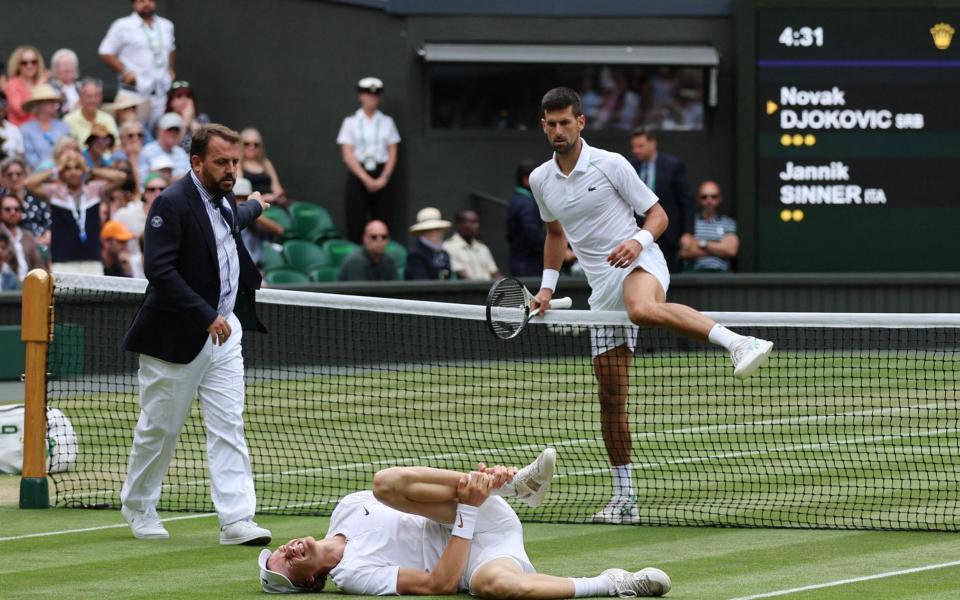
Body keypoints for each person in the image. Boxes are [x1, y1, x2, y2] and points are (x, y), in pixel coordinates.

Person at [529, 87, 773, 524]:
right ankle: (625, 498)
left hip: (640, 259)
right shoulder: (540, 180)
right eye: (551, 124)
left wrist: (635, 240)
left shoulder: (612, 164)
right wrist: (547, 288)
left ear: (580, 122)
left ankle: (738, 342)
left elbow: (658, 215)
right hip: (600, 287)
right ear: (543, 126)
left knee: (641, 309)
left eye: (566, 122)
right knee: (610, 397)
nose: (559, 131)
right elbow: (554, 236)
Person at [119, 123, 272, 546]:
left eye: (235, 162)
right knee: (161, 429)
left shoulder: (224, 197)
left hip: (225, 334)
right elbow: (159, 271)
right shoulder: (170, 203)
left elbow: (232, 222)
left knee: (229, 425)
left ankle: (237, 519)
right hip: (174, 339)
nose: (231, 170)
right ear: (196, 162)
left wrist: (256, 205)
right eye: (222, 162)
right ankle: (139, 505)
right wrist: (205, 315)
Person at [257, 448, 672, 597]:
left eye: (279, 551)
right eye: (288, 564)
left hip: (471, 512)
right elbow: (440, 585)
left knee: (386, 483)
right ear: (311, 582)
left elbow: (420, 491)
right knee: (496, 588)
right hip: (475, 552)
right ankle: (614, 583)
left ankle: (512, 488)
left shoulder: (347, 507)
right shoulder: (353, 576)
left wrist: (478, 492)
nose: (287, 550)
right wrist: (472, 507)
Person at [24, 149, 127, 275]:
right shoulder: (55, 192)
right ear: (62, 173)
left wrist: (89, 170)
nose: (73, 172)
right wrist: (57, 169)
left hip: (92, 261)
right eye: (68, 169)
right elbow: (29, 183)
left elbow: (121, 177)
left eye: (77, 168)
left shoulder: (94, 190)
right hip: (63, 262)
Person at [336, 77, 400, 243]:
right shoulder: (351, 122)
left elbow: (392, 152)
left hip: (382, 174)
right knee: (355, 221)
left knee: (384, 219)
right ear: (360, 96)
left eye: (375, 95)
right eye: (368, 94)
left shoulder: (387, 122)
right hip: (359, 174)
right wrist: (366, 178)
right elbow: (347, 154)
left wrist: (383, 178)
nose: (372, 98)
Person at [99, 0, 176, 130]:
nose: (146, 4)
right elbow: (105, 52)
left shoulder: (166, 25)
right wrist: (125, 71)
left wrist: (170, 68)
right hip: (134, 94)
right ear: (134, 3)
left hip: (160, 94)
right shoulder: (122, 25)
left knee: (161, 137)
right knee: (133, 134)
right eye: (141, 1)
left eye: (150, 0)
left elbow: (171, 48)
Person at [627, 129, 694, 273]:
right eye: (634, 147)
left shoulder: (673, 166)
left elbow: (686, 201)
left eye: (640, 146)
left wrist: (688, 232)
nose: (636, 150)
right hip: (638, 234)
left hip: (668, 235)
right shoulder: (630, 167)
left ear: (653, 143)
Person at [680, 181, 738, 272]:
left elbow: (731, 250)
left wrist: (701, 243)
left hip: (721, 274)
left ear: (720, 198)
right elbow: (685, 251)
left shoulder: (728, 222)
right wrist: (719, 247)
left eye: (714, 197)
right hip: (694, 274)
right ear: (698, 199)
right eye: (704, 197)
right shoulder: (690, 222)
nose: (709, 200)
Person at [506, 160, 545, 277]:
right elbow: (531, 233)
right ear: (526, 180)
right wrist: (558, 249)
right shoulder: (526, 203)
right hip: (529, 265)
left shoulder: (516, 199)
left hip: (520, 261)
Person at [233, 176, 283, 268]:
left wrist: (252, 213)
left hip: (256, 266)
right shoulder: (225, 215)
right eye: (237, 197)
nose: (240, 201)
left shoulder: (254, 215)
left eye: (244, 198)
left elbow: (279, 230)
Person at [20, 83, 71, 170]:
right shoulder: (26, 129)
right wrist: (46, 171)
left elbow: (69, 150)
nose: (54, 104)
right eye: (49, 101)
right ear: (39, 104)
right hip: (37, 176)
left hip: (63, 173)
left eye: (54, 102)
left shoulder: (63, 126)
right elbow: (29, 157)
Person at [1, 157, 50, 246]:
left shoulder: (35, 197)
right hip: (11, 245)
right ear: (3, 177)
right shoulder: (1, 199)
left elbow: (48, 221)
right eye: (10, 175)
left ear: (25, 175)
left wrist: (47, 234)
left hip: (41, 243)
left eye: (18, 174)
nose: (14, 178)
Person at [443, 209, 501, 281]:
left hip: (490, 289)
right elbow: (461, 274)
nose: (477, 226)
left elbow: (494, 272)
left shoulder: (482, 247)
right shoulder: (448, 247)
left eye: (477, 222)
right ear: (459, 224)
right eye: (472, 222)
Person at [0, 192, 46, 281]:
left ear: (21, 213)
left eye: (16, 209)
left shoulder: (28, 236)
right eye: (7, 209)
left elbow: (39, 267)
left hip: (29, 286)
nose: (12, 212)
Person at [63, 78, 120, 148]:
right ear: (81, 97)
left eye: (96, 96)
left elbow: (116, 145)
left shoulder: (108, 119)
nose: (92, 100)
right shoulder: (69, 120)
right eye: (88, 96)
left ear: (101, 98)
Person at [238, 128, 285, 206]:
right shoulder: (238, 163)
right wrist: (263, 198)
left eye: (256, 144)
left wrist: (277, 195)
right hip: (253, 206)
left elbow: (276, 187)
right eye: (247, 144)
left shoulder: (266, 163)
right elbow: (239, 192)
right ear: (241, 145)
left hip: (273, 204)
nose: (251, 147)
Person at [4, 45, 47, 126]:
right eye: (24, 63)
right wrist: (37, 88)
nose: (29, 66)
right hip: (21, 131)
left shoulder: (41, 82)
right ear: (18, 65)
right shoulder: (13, 84)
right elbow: (21, 111)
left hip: (42, 131)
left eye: (33, 62)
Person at [405, 207, 452, 281]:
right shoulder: (415, 254)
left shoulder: (444, 253)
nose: (437, 233)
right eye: (430, 230)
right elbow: (421, 284)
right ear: (423, 232)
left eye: (439, 229)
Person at [138, 112, 190, 179]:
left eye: (176, 130)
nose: (173, 133)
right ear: (159, 130)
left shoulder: (181, 153)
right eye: (169, 129)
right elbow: (142, 181)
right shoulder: (147, 151)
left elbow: (189, 179)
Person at [166, 80, 209, 153]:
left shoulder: (202, 118)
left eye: (188, 96)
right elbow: (171, 147)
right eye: (179, 96)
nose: (184, 100)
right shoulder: (166, 121)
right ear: (171, 102)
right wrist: (185, 122)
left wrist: (191, 120)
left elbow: (206, 143)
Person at [48, 48, 81, 116]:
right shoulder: (50, 89)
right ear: (55, 69)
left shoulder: (82, 87)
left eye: (70, 64)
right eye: (63, 65)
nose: (67, 69)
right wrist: (75, 108)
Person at [0, 92, 25, 160]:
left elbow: (21, 156)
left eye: (2, 103)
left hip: (12, 168)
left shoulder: (14, 129)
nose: (0, 107)